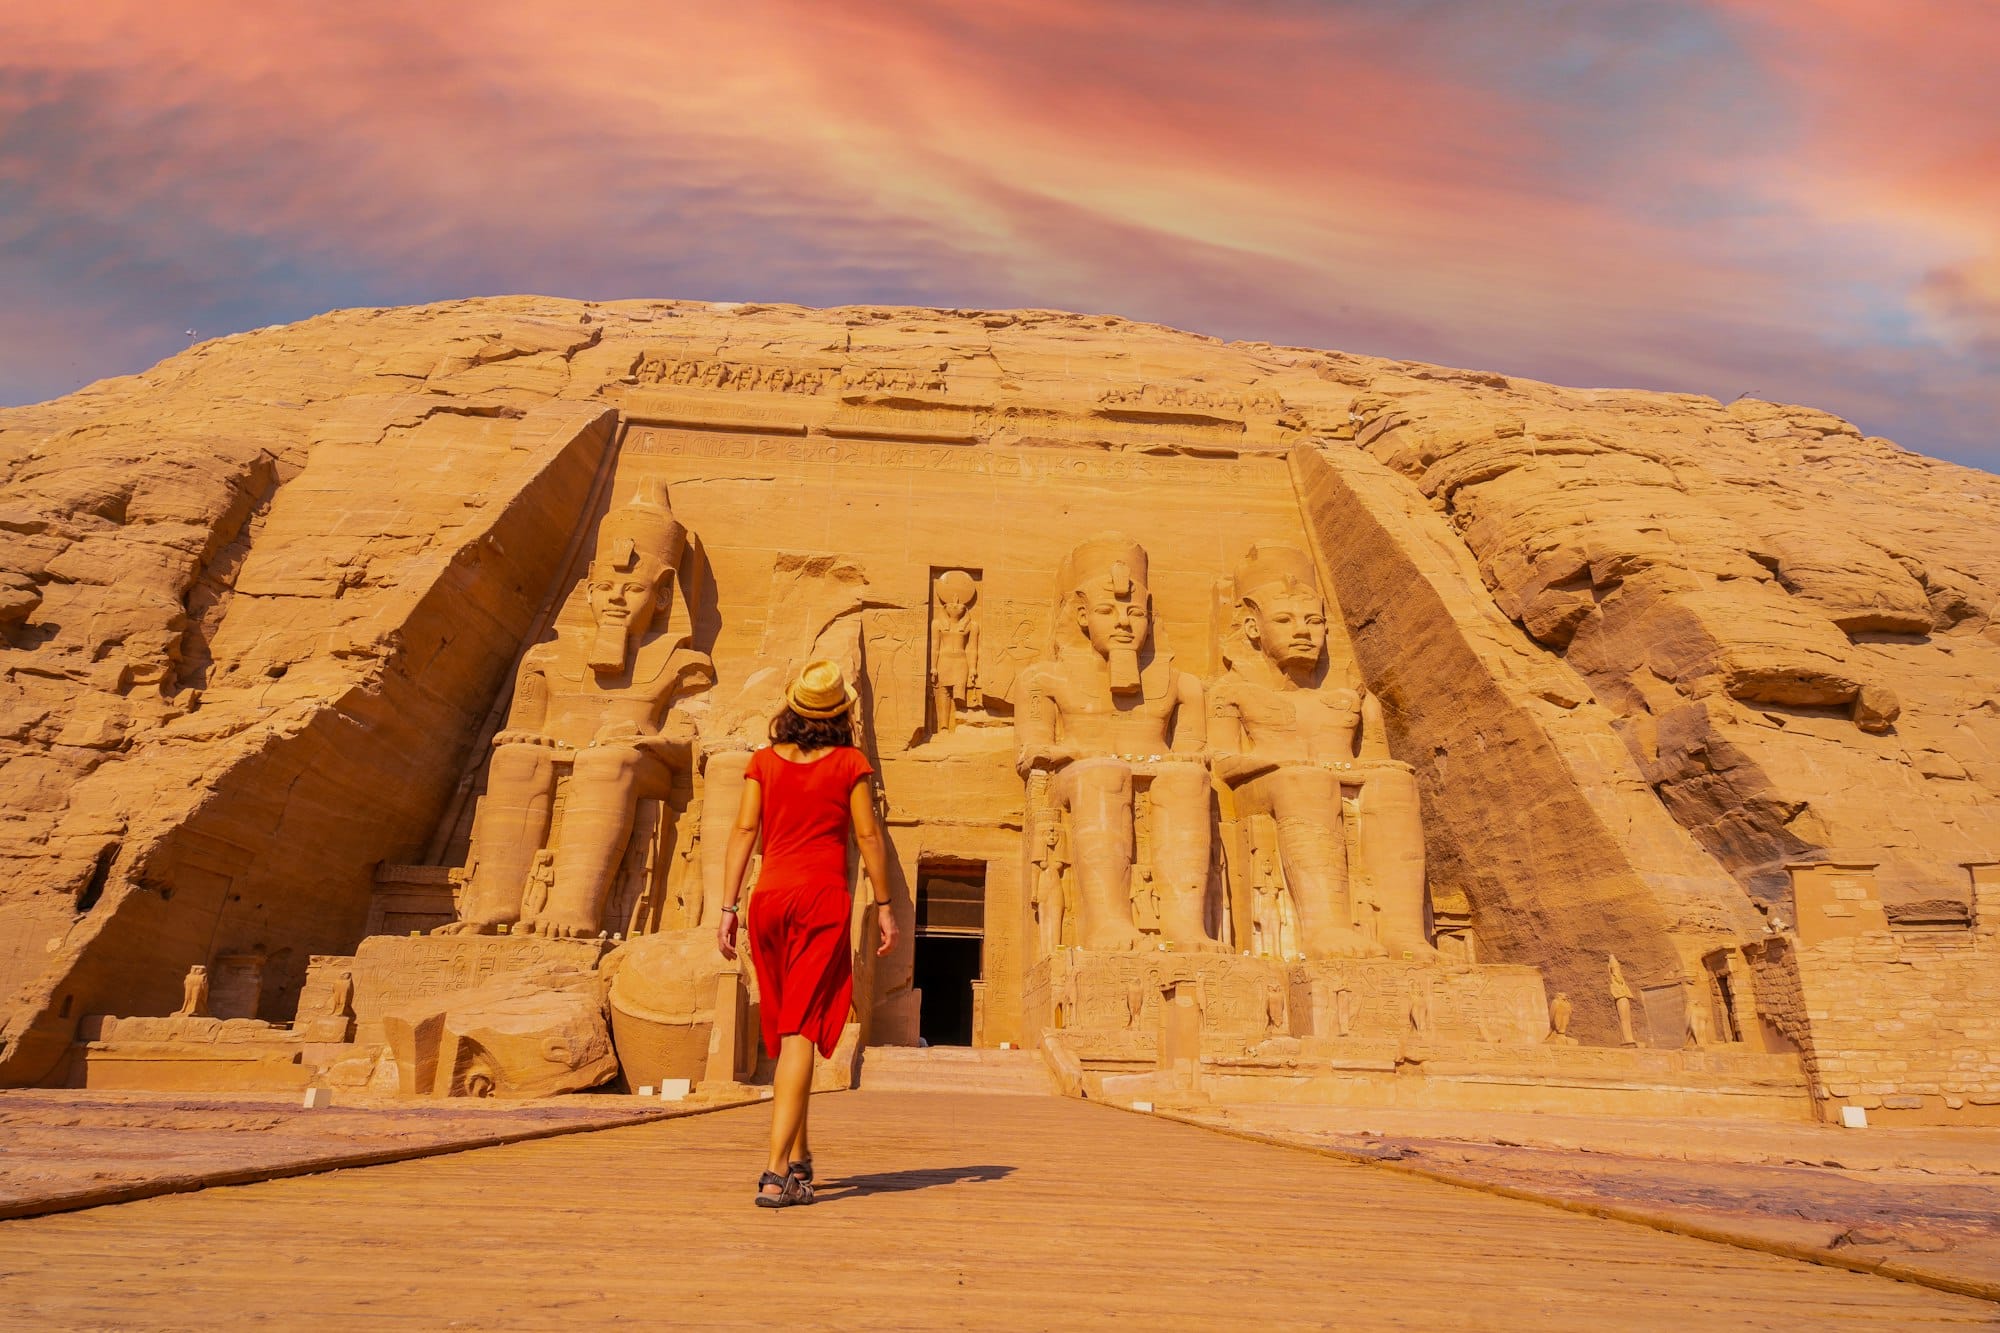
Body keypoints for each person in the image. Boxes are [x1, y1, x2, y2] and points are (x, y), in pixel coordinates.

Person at [716, 660, 897, 1208]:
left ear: (792, 708)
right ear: (841, 716)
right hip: (819, 900)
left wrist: (727, 905)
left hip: (767, 898)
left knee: (781, 1026)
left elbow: (746, 829)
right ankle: (775, 1175)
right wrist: (885, 906)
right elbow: (867, 836)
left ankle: (799, 1155)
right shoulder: (849, 763)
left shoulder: (763, 762)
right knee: (797, 1032)